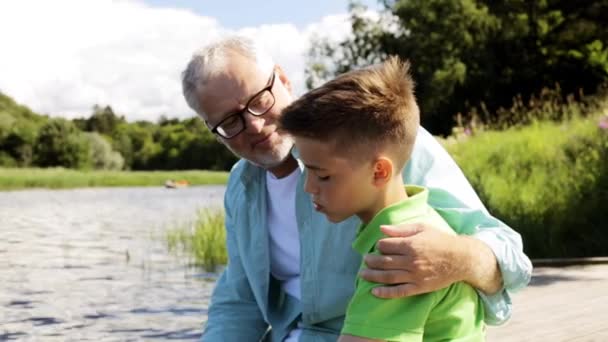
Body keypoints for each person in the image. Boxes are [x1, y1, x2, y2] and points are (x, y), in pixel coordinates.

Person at [181, 35, 531, 341]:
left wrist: (457, 259)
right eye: (229, 121)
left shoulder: (377, 141)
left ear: (283, 80)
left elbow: (510, 255)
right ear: (211, 128)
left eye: (259, 100)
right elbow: (239, 301)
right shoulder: (240, 188)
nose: (254, 125)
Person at [279, 56, 484, 341]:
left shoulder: (399, 256)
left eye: (322, 176)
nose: (308, 188)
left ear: (379, 171)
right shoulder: (424, 224)